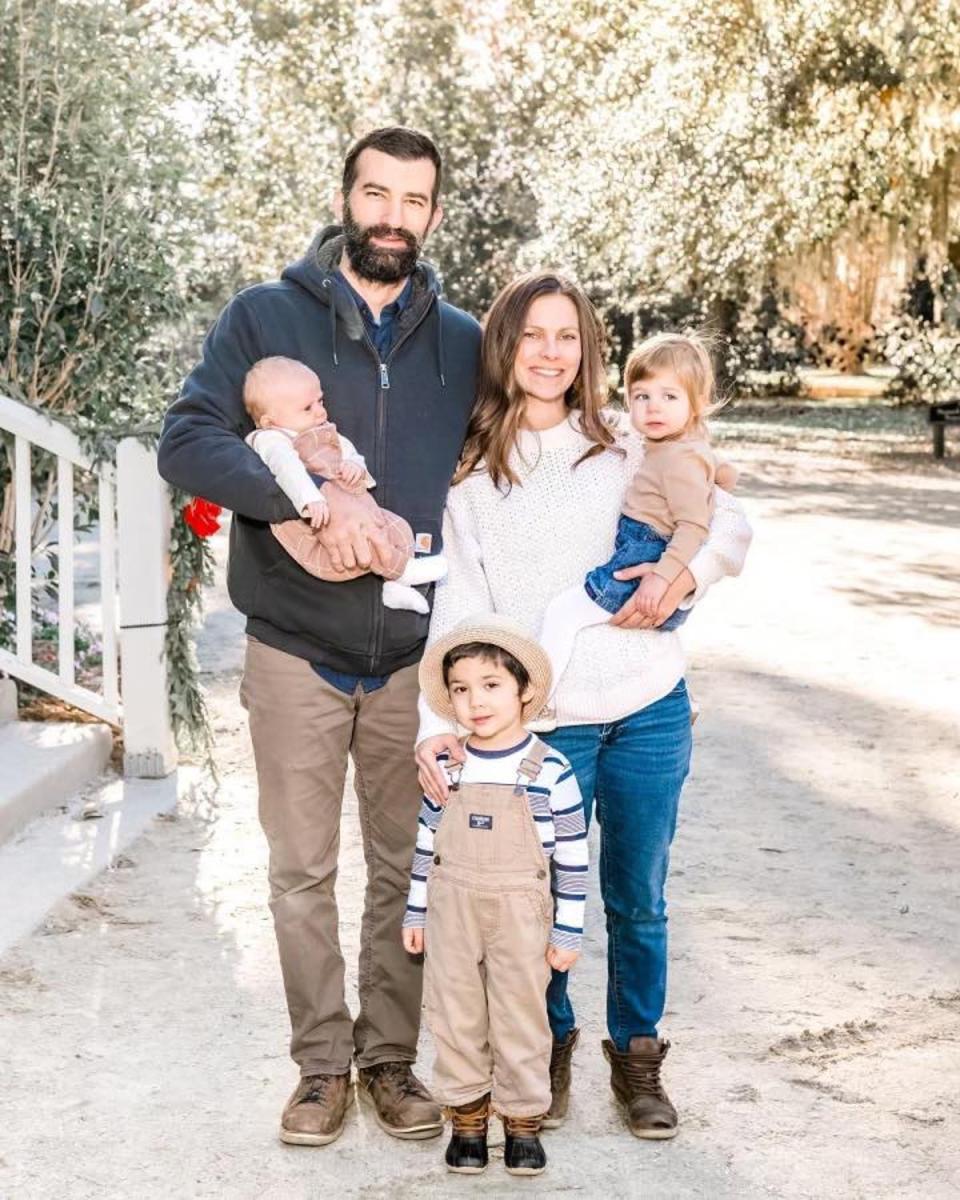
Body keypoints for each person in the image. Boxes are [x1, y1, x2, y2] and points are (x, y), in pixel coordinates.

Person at [158, 126, 482, 1147]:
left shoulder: (465, 340)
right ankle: (321, 1066)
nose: (393, 214)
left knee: (404, 868)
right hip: (293, 649)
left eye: (414, 200)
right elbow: (188, 440)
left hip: (410, 663)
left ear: (433, 214)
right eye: (376, 193)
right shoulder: (264, 317)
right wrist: (305, 507)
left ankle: (391, 1062)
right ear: (346, 197)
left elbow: (529, 443)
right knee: (300, 871)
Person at [415, 272, 752, 1141]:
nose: (550, 352)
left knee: (636, 895)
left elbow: (729, 528)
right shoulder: (470, 472)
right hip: (541, 731)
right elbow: (459, 605)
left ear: (588, 349)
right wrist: (439, 725)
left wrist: (684, 575)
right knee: (536, 898)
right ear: (505, 346)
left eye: (567, 336)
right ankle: (547, 1047)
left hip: (646, 705)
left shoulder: (628, 445)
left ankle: (637, 1056)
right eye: (533, 335)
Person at [402, 615, 588, 1176]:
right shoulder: (448, 766)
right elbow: (426, 841)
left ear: (523, 691)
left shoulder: (549, 769)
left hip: (521, 912)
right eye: (461, 690)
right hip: (451, 906)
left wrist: (568, 929)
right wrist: (416, 911)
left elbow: (574, 856)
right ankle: (467, 1119)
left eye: (491, 686)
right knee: (455, 1013)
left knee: (521, 1015)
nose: (475, 702)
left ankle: (524, 1121)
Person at [538, 330, 737, 700]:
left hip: (645, 555)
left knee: (563, 614)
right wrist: (719, 471)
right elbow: (724, 476)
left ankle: (538, 699)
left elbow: (693, 527)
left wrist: (662, 579)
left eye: (669, 396)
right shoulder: (684, 447)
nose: (653, 407)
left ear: (696, 403)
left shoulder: (679, 459)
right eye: (641, 396)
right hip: (644, 549)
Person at [243, 355, 448, 614]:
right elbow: (287, 468)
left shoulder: (320, 429)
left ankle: (395, 587)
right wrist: (312, 496)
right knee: (362, 542)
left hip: (357, 507)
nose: (320, 411)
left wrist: (355, 465)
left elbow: (346, 449)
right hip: (315, 529)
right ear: (268, 420)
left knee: (398, 528)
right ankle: (403, 570)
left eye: (320, 401)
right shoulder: (271, 438)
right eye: (307, 408)